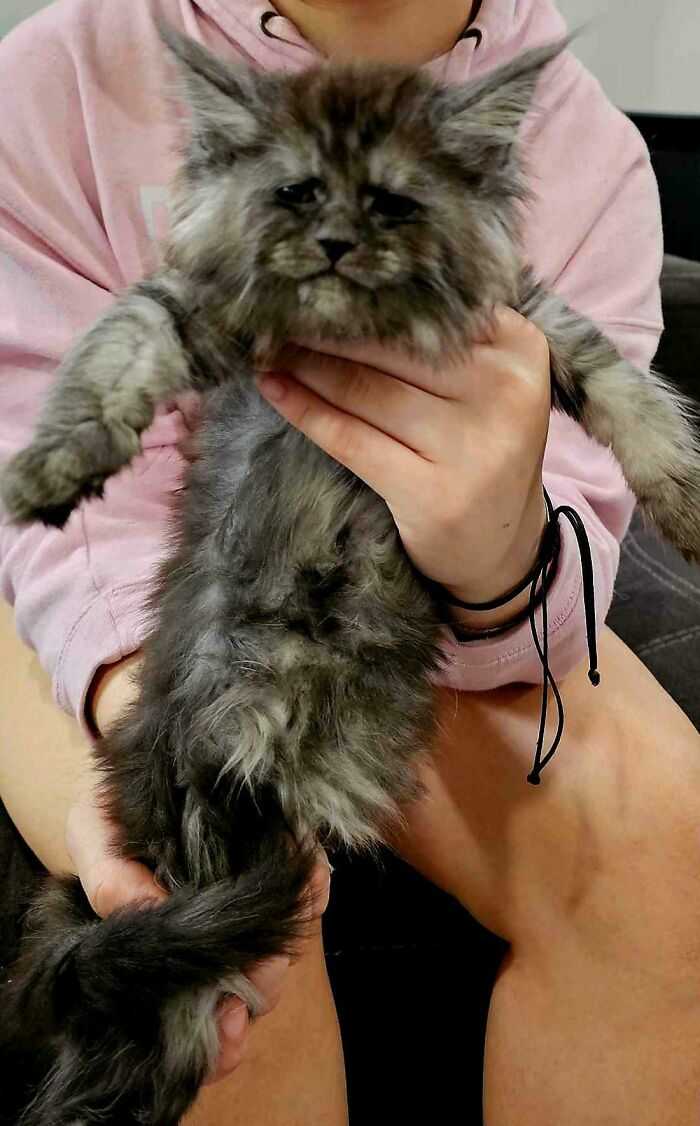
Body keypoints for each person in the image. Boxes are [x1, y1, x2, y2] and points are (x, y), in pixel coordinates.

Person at [1, 0, 699, 1122]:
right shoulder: (60, 81)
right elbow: (54, 488)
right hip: (138, 592)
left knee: (670, 864)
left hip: (430, 609)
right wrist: (172, 727)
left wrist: (495, 553)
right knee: (224, 928)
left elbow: (577, 535)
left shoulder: (585, 155)